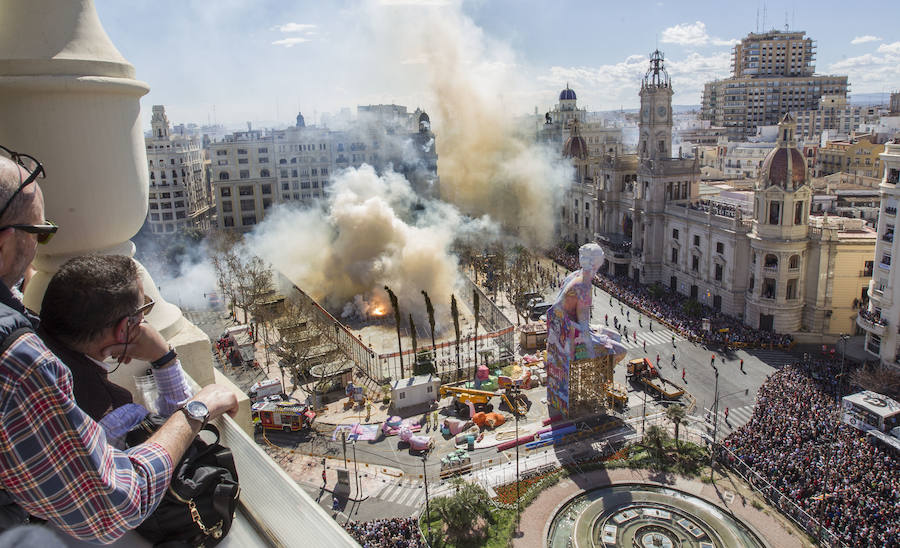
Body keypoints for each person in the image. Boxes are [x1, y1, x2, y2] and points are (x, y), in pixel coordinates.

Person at [0, 149, 238, 543]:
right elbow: (115, 504)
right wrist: (196, 405)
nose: (39, 247)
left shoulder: (41, 340)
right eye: (41, 233)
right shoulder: (24, 362)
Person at [38, 255, 193, 448]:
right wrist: (164, 358)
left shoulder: (33, 346)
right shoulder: (116, 419)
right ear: (124, 329)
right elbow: (184, 440)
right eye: (143, 308)